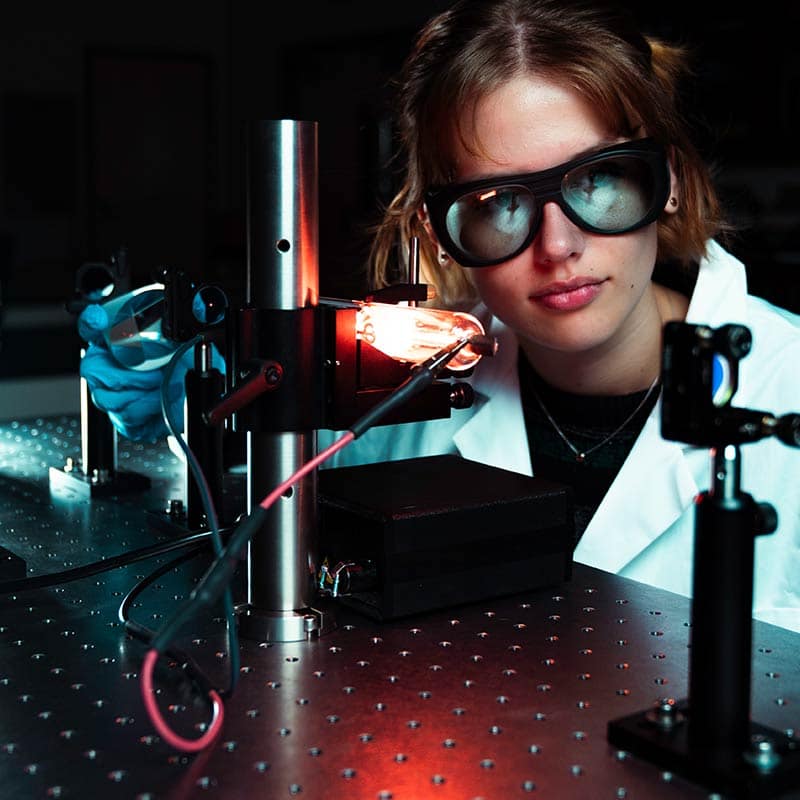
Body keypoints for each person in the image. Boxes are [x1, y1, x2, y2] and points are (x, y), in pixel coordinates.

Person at [79, 0, 800, 631]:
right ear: (437, 232)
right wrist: (198, 398)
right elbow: (279, 501)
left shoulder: (787, 383)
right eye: (500, 205)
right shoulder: (419, 393)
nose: (558, 247)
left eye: (600, 180)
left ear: (665, 181)